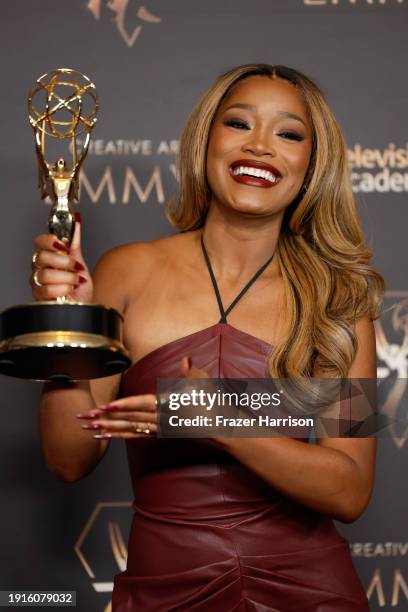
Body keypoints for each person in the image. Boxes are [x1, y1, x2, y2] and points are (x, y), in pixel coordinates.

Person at [31, 64, 384, 611]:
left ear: (312, 165)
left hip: (311, 594)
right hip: (160, 593)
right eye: (239, 124)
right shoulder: (126, 272)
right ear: (206, 141)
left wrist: (224, 425)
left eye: (289, 134)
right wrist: (66, 321)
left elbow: (350, 488)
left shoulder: (339, 299)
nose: (262, 146)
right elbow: (68, 458)